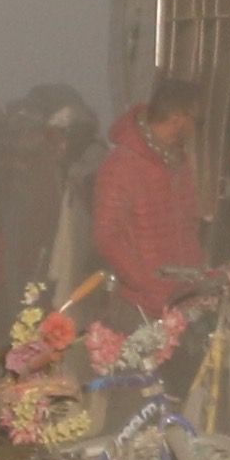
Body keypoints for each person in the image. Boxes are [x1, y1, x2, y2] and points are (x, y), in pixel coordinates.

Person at [90, 95, 207, 311]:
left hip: (183, 300)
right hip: (142, 306)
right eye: (197, 121)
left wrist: (200, 277)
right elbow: (107, 236)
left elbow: (189, 226)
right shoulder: (121, 165)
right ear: (177, 118)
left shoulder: (177, 161)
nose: (196, 130)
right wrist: (150, 286)